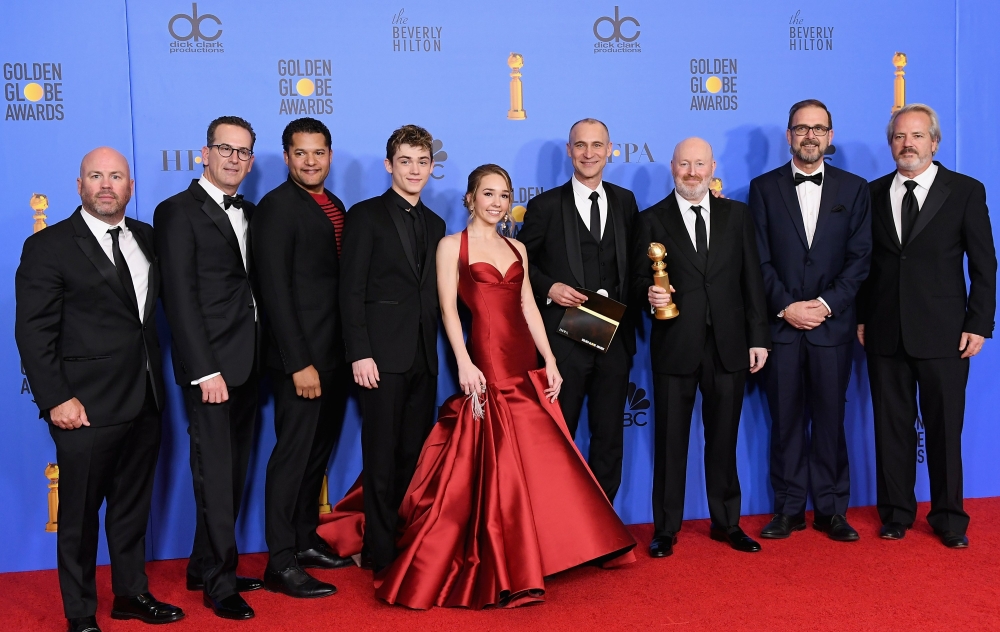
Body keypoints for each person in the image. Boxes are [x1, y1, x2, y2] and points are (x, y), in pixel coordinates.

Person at [319, 164, 635, 609]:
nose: (497, 202)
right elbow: (448, 311)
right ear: (470, 198)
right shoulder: (451, 246)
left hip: (525, 360)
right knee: (497, 462)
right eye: (488, 194)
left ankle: (545, 548)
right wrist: (465, 364)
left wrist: (549, 359)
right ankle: (503, 558)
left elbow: (527, 305)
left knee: (538, 460)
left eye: (504, 195)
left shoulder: (518, 248)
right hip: (485, 360)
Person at [15, 148, 183, 632]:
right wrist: (55, 399)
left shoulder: (148, 238)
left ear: (130, 186)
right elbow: (33, 331)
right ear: (79, 185)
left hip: (146, 398)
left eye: (116, 176)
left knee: (132, 509)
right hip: (82, 407)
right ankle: (81, 613)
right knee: (79, 516)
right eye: (96, 176)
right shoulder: (49, 247)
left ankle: (131, 593)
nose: (106, 184)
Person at [858, 103, 996, 548]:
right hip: (884, 331)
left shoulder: (965, 191)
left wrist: (979, 323)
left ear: (934, 143)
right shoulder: (872, 193)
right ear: (890, 144)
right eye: (900, 137)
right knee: (891, 429)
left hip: (945, 334)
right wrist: (861, 317)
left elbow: (984, 264)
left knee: (943, 429)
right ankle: (896, 513)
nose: (907, 144)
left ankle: (950, 518)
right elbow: (863, 264)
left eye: (917, 136)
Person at [633, 138, 770, 558]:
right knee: (670, 442)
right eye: (684, 164)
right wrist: (649, 296)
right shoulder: (650, 219)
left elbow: (752, 282)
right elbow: (637, 281)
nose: (692, 172)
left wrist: (758, 337)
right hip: (675, 345)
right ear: (671, 167)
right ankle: (665, 529)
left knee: (724, 441)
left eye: (699, 164)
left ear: (713, 167)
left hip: (729, 347)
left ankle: (727, 523)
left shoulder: (738, 215)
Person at [154, 116, 263, 619]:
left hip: (248, 364)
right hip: (211, 371)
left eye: (243, 152)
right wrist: (204, 371)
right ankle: (219, 583)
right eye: (225, 148)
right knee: (215, 475)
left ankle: (203, 563)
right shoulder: (177, 211)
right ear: (204, 153)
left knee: (234, 472)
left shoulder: (252, 212)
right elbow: (179, 297)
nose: (234, 159)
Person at [748, 99, 872, 542]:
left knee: (830, 421)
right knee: (784, 422)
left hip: (832, 328)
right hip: (781, 328)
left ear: (830, 136)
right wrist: (786, 307)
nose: (810, 136)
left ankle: (832, 510)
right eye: (801, 129)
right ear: (789, 136)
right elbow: (757, 259)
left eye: (818, 129)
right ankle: (787, 509)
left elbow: (860, 260)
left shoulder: (855, 189)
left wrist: (823, 305)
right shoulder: (762, 189)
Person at [338, 125, 446, 573]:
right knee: (380, 458)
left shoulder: (437, 223)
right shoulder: (365, 215)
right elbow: (350, 290)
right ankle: (380, 554)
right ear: (389, 165)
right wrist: (359, 352)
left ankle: (405, 542)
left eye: (422, 162)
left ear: (431, 167)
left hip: (423, 357)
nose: (415, 169)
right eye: (405, 161)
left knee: (412, 457)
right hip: (379, 360)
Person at [252, 117, 352, 599]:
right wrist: (298, 362)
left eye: (319, 153)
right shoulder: (275, 208)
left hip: (334, 355)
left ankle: (303, 538)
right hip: (301, 360)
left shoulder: (333, 204)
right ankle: (279, 560)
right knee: (292, 457)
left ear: (330, 155)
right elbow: (274, 291)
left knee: (317, 454)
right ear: (287, 157)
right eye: (300, 153)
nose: (310, 161)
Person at [517, 118, 640, 503]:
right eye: (580, 145)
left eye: (597, 145)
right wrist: (549, 287)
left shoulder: (626, 201)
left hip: (614, 338)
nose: (589, 153)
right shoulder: (544, 206)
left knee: (609, 439)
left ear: (609, 150)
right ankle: (557, 529)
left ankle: (603, 527)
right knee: (558, 435)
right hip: (562, 342)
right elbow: (520, 263)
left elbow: (645, 254)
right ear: (569, 151)